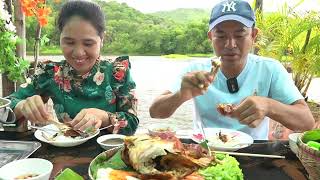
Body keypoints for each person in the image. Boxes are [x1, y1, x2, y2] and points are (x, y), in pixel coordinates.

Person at [149, 0, 315, 139]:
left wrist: (268, 106)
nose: (230, 44)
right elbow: (155, 112)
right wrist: (181, 95)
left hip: (254, 153)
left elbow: (306, 122)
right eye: (220, 36)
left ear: (253, 35)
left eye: (239, 35)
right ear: (210, 37)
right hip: (205, 150)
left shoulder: (270, 69)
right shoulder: (195, 70)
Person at [8, 0, 138, 135]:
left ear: (102, 40)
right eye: (69, 42)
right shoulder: (50, 73)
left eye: (88, 43)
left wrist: (104, 117)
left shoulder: (118, 72)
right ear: (60, 38)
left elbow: (132, 123)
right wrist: (21, 106)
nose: (78, 53)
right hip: (63, 152)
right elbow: (7, 105)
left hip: (111, 152)